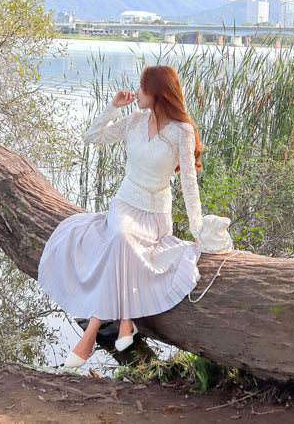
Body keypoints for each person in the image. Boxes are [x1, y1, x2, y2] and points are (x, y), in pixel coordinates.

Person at [37, 65, 230, 368]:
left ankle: (104, 326)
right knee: (121, 237)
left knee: (122, 242)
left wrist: (197, 229)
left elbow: (189, 183)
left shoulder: (182, 132)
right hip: (125, 203)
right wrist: (113, 107)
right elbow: (92, 137)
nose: (136, 92)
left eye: (142, 88)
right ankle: (116, 325)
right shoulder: (134, 121)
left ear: (157, 93)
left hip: (155, 212)